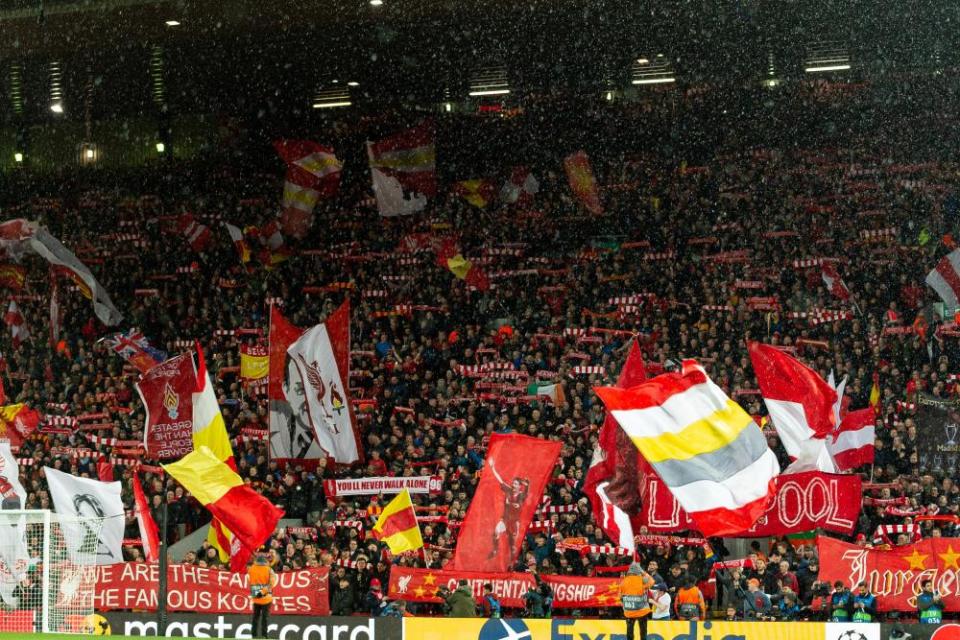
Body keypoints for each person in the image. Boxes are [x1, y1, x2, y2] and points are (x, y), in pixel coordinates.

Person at [487, 458, 530, 561]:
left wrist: (527, 486)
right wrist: (493, 467)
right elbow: (499, 479)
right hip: (505, 520)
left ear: (520, 486)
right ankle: (495, 550)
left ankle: (512, 561)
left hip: (514, 522)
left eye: (515, 484)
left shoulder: (521, 495)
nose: (513, 485)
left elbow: (522, 499)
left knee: (512, 543)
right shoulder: (508, 490)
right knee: (496, 532)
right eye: (513, 483)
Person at [247, 551, 278, 640]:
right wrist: (263, 592)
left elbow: (249, 581)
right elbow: (272, 583)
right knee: (265, 618)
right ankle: (264, 636)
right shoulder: (269, 570)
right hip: (266, 598)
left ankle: (254, 635)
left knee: (255, 617)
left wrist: (255, 592)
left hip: (255, 597)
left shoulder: (251, 569)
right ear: (265, 561)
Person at [620, 563, 654, 640]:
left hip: (629, 612)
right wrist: (643, 572)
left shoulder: (623, 582)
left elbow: (620, 597)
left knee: (629, 632)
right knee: (643, 632)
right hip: (642, 611)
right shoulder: (643, 580)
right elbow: (652, 581)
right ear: (638, 571)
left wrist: (625, 608)